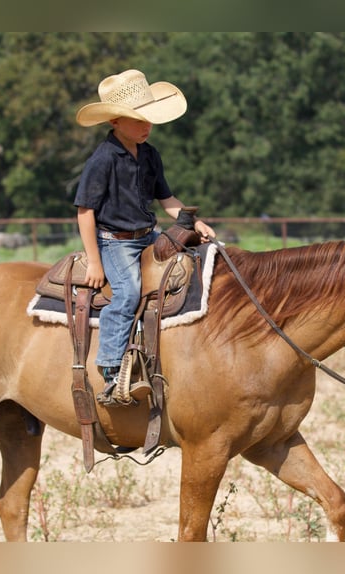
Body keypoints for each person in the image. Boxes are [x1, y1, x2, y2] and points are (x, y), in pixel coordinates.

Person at [73, 69, 216, 406]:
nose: (145, 125)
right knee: (127, 294)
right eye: (136, 120)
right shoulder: (104, 158)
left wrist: (194, 223)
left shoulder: (150, 154)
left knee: (191, 269)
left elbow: (166, 199)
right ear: (115, 122)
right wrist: (94, 260)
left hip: (148, 235)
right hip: (115, 241)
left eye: (148, 119)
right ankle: (109, 373)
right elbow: (85, 211)